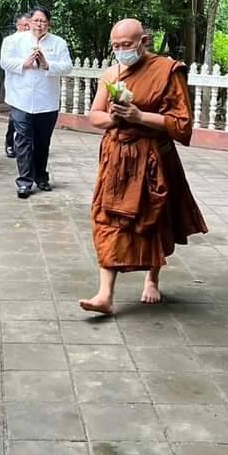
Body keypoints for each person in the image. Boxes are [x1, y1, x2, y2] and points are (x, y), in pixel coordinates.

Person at [79, 19, 208, 315]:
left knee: (152, 219)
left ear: (144, 41)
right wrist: (115, 118)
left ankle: (152, 279)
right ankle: (104, 295)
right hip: (116, 158)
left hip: (153, 157)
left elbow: (181, 124)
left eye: (127, 44)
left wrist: (139, 116)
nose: (122, 51)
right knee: (105, 219)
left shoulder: (166, 71)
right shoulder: (112, 74)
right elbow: (95, 116)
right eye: (116, 46)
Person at [0, 6, 72, 199]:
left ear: (49, 24)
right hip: (20, 99)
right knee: (22, 140)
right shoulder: (13, 41)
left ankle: (41, 176)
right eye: (36, 21)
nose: (39, 25)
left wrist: (47, 64)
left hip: (47, 101)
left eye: (44, 22)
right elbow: (4, 62)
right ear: (29, 21)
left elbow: (67, 67)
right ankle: (24, 181)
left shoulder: (58, 43)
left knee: (42, 141)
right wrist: (24, 63)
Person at [0, 12, 31, 158]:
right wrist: (23, 64)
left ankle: (26, 144)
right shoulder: (10, 41)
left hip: (31, 86)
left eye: (29, 25)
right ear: (18, 26)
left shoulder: (34, 41)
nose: (27, 28)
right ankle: (10, 143)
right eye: (25, 25)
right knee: (16, 117)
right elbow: (5, 63)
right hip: (16, 84)